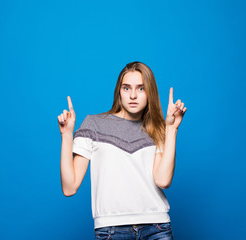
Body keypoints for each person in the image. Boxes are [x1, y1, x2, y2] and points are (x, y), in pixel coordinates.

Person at [57, 61, 187, 240]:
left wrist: (172, 129)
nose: (133, 95)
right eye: (126, 88)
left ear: (151, 92)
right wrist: (66, 136)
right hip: (111, 230)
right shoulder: (94, 124)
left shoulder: (157, 129)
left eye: (141, 88)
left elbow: (163, 181)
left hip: (156, 227)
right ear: (119, 91)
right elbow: (69, 187)